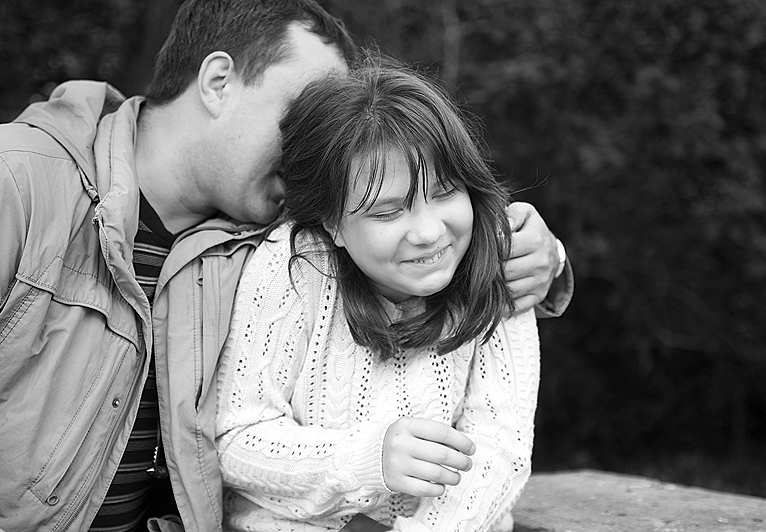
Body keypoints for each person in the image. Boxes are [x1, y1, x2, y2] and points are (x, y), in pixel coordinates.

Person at [0, 1, 571, 531]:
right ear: (218, 82)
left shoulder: (272, 229)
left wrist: (542, 257)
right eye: (302, 114)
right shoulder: (20, 186)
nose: (321, 146)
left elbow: (414, 222)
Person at [215, 54, 541, 532]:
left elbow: (500, 448)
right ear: (333, 223)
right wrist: (366, 460)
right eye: (388, 212)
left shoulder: (499, 265)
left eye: (446, 192)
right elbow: (238, 439)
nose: (429, 233)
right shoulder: (293, 268)